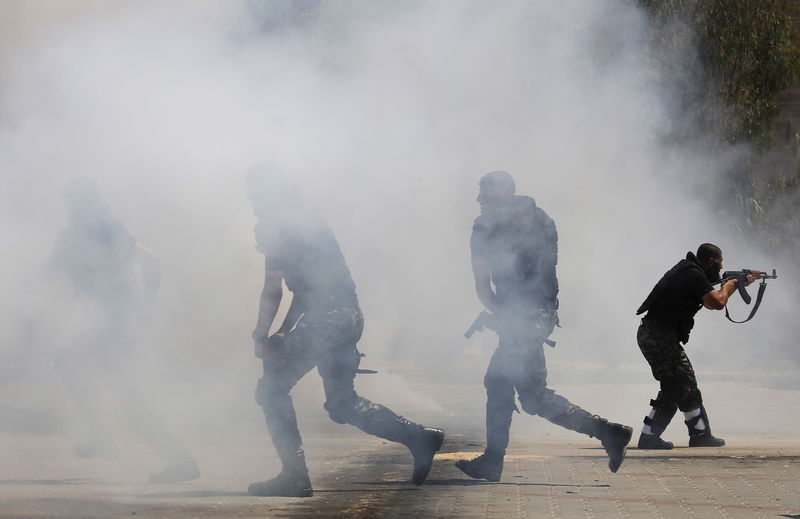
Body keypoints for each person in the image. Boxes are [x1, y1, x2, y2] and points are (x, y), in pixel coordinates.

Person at [246, 166, 444, 498]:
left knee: (271, 390)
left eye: (253, 192)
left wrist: (259, 335)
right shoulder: (307, 215)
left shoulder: (274, 225)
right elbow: (306, 288)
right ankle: (420, 437)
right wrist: (283, 331)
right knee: (342, 403)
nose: (251, 200)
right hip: (348, 318)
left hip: (325, 321)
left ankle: (294, 477)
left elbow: (273, 290)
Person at [456, 170, 632, 482]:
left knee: (499, 380)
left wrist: (503, 314)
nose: (478, 199)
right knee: (532, 395)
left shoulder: (484, 228)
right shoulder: (541, 219)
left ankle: (493, 462)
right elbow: (540, 276)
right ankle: (609, 432)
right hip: (542, 313)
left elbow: (483, 288)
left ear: (499, 195)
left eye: (484, 192)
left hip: (524, 317)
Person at [49, 178, 198, 483]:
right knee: (75, 367)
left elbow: (153, 261)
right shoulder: (80, 234)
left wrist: (144, 308)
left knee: (126, 395)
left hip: (117, 324)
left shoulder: (106, 230)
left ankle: (178, 459)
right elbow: (48, 270)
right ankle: (105, 435)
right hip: (108, 323)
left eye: (77, 203)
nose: (73, 209)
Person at [635, 243, 757, 449]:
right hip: (657, 335)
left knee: (687, 384)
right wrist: (728, 286)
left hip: (661, 335)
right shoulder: (693, 274)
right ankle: (649, 436)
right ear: (711, 261)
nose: (720, 268)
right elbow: (717, 303)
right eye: (719, 263)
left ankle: (700, 434)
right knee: (678, 386)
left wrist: (735, 285)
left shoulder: (691, 270)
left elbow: (713, 301)